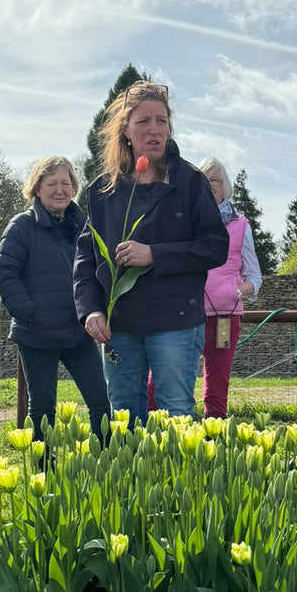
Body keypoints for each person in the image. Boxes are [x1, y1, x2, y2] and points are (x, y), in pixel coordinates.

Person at [73, 81, 228, 423]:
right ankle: (133, 479)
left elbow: (215, 247)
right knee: (124, 418)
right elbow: (86, 259)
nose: (154, 130)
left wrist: (154, 254)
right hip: (120, 326)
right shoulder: (102, 189)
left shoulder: (189, 181)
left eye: (162, 120)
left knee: (176, 417)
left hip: (174, 321)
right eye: (143, 121)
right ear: (125, 131)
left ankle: (177, 479)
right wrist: (90, 310)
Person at [0, 157, 110, 439]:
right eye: (52, 183)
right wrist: (28, 312)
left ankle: (109, 463)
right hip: (37, 333)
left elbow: (99, 270)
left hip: (78, 330)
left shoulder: (84, 225)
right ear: (36, 189)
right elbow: (5, 273)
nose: (60, 190)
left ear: (74, 188)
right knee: (43, 409)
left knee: (100, 402)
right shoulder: (21, 226)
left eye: (66, 183)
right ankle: (44, 470)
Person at [198, 157, 262, 417]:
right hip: (184, 312)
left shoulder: (241, 226)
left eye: (214, 180)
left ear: (226, 188)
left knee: (217, 379)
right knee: (164, 376)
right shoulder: (184, 220)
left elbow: (254, 277)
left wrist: (239, 290)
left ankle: (214, 433)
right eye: (203, 180)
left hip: (224, 315)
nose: (209, 185)